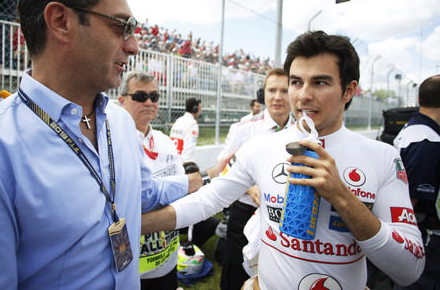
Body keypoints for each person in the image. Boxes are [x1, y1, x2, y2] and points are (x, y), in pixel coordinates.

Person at [0, 0, 195, 289]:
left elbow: (141, 194)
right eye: (121, 26)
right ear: (61, 21)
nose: (133, 45)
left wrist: (205, 179)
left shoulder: (119, 123)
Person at [142, 31, 425, 289]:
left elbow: (409, 269)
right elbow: (206, 201)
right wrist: (134, 225)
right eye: (296, 82)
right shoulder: (260, 147)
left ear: (348, 91)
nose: (303, 95)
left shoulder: (383, 157)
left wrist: (342, 196)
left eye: (320, 82)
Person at [118, 71, 202, 289]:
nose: (148, 102)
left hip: (167, 258)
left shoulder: (166, 142)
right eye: (140, 96)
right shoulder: (113, 144)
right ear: (121, 101)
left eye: (154, 97)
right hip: (131, 268)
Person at [217, 68, 294, 290]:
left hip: (283, 217)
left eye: (284, 90)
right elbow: (223, 169)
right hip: (244, 213)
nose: (278, 97)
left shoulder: (304, 131)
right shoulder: (244, 129)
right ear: (263, 94)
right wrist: (249, 187)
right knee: (235, 274)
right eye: (272, 90)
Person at [393, 74, 440, 290]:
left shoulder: (413, 130)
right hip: (424, 237)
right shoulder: (427, 141)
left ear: (420, 100)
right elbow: (410, 203)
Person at [170, 97, 201, 162]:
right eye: (199, 108)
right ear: (195, 109)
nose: (200, 110)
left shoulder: (178, 120)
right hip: (182, 164)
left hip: (172, 160)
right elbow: (189, 149)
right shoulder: (192, 124)